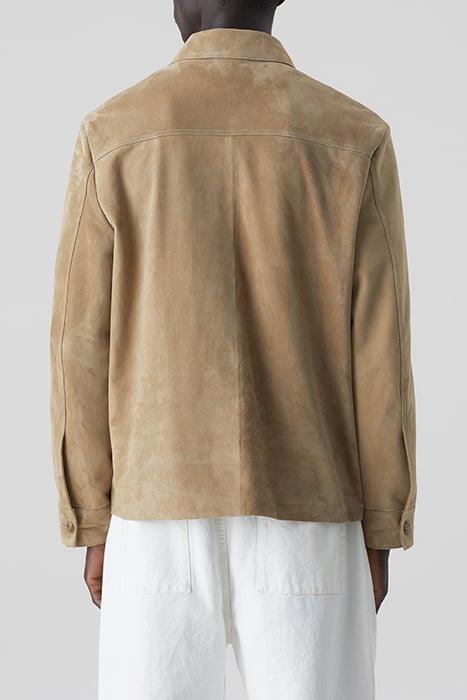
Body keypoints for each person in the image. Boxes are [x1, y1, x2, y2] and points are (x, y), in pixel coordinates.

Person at [49, 1, 417, 698]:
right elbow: (380, 352)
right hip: (309, 510)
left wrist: (90, 516)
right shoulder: (352, 135)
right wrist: (381, 520)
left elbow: (79, 343)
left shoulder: (112, 132)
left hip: (153, 513)